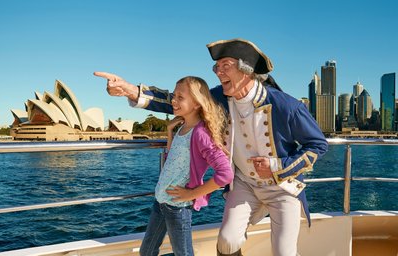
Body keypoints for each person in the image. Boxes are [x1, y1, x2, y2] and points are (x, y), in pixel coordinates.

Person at [94, 38, 328, 256]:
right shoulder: (220, 98)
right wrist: (130, 90)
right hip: (244, 184)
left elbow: (317, 145)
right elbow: (177, 101)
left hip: (282, 187)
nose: (217, 71)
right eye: (216, 67)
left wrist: (278, 165)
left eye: (225, 65)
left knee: (284, 251)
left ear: (247, 71)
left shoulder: (286, 105)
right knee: (227, 241)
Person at [127, 76, 233, 256]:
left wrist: (192, 194)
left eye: (180, 97)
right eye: (174, 96)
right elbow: (173, 159)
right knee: (146, 251)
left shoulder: (201, 133)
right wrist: (169, 132)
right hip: (160, 201)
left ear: (198, 103)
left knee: (182, 253)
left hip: (177, 207)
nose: (174, 101)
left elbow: (225, 174)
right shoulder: (183, 127)